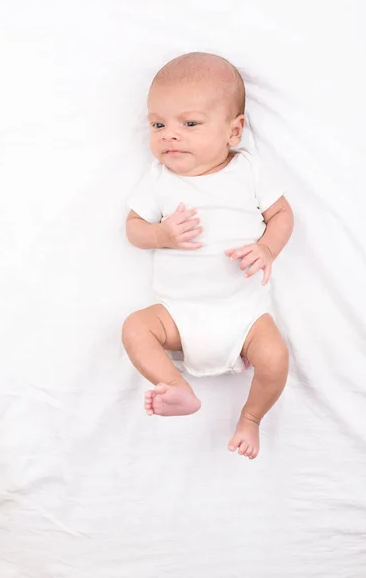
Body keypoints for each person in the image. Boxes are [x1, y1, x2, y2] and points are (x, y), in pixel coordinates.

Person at [122, 52, 294, 459]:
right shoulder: (159, 180)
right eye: (158, 124)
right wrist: (161, 234)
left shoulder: (249, 170)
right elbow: (133, 229)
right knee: (134, 328)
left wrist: (267, 247)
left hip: (244, 315)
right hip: (178, 314)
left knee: (275, 358)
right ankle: (177, 388)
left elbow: (282, 214)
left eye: (190, 123)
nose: (169, 135)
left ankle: (250, 419)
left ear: (234, 131)